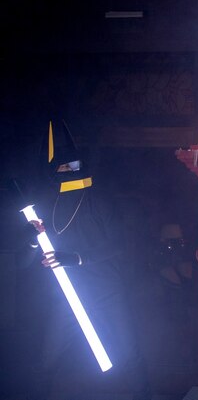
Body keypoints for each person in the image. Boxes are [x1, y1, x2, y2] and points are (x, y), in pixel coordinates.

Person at [21, 120, 152, 400]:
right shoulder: (48, 202)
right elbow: (31, 255)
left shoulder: (99, 200)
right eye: (62, 166)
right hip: (69, 297)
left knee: (129, 355)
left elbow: (119, 244)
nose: (68, 170)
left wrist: (77, 258)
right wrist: (34, 239)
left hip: (107, 291)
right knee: (46, 361)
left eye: (72, 165)